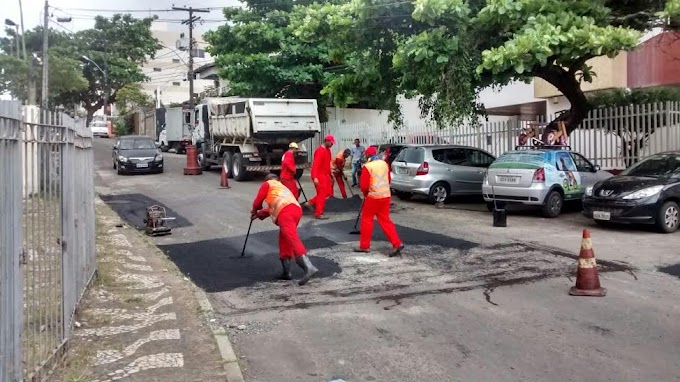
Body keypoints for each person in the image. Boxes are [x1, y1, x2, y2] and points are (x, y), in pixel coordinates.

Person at [251, 173, 318, 285]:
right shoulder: (282, 188)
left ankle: (308, 266)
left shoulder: (267, 184)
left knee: (291, 237)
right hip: (295, 210)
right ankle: (286, 272)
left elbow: (257, 202)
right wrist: (258, 214)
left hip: (285, 212)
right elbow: (273, 207)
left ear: (267, 180)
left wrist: (254, 211)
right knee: (284, 238)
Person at [355, 146, 404, 257]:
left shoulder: (367, 167)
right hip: (386, 196)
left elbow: (364, 185)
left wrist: (365, 194)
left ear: (367, 155)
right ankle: (397, 243)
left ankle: (364, 246)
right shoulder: (384, 164)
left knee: (367, 220)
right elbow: (389, 179)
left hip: (373, 197)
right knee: (385, 221)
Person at [306, 134, 335, 219]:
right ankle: (318, 213)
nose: (332, 144)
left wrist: (331, 174)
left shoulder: (328, 150)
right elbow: (316, 165)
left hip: (325, 175)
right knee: (322, 194)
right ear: (326, 141)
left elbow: (328, 163)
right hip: (319, 175)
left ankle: (310, 202)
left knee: (328, 192)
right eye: (331, 143)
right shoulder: (320, 151)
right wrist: (315, 177)